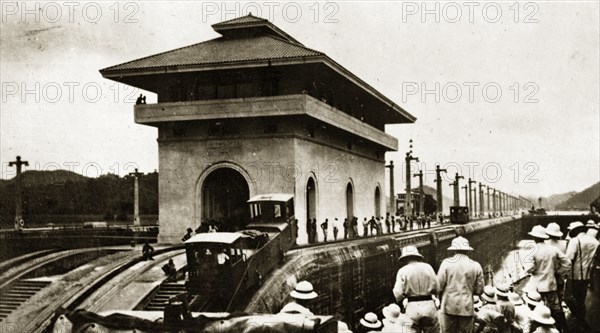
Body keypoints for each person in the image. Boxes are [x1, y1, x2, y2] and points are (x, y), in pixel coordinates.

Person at [522, 225, 570, 332]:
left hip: (536, 286)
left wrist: (528, 269)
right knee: (556, 309)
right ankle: (563, 328)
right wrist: (558, 273)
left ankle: (535, 329)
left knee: (535, 307)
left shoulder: (533, 250)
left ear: (534, 238)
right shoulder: (553, 249)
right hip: (551, 284)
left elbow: (529, 268)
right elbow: (567, 263)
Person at [437, 236, 484, 333]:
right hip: (466, 307)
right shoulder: (476, 265)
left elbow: (439, 286)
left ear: (454, 250)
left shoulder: (446, 263)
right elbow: (479, 290)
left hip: (448, 306)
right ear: (467, 250)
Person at [392, 245, 439, 333]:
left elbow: (397, 292)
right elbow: (437, 286)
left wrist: (403, 300)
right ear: (417, 256)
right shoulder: (428, 267)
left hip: (412, 306)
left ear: (405, 258)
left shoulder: (402, 271)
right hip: (429, 305)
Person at [564, 221, 598, 330]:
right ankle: (581, 322)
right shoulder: (595, 241)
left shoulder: (575, 241)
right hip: (587, 276)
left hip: (573, 276)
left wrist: (562, 274)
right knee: (581, 300)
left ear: (577, 230)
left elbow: (568, 260)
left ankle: (580, 320)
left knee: (568, 298)